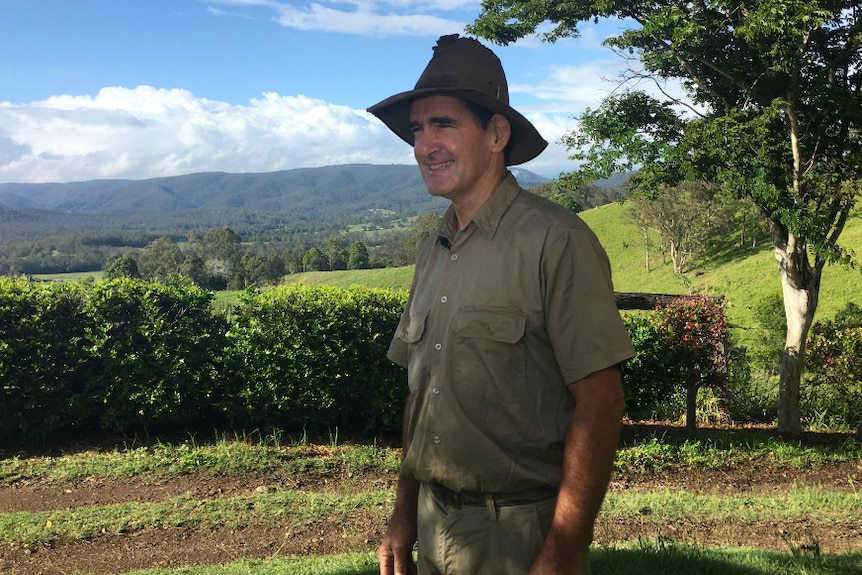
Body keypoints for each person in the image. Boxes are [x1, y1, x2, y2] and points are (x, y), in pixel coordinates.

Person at [367, 34, 636, 575]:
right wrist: (403, 514)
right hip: (433, 521)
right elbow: (423, 397)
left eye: (443, 124)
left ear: (496, 133)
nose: (424, 145)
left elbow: (601, 403)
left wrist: (564, 547)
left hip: (517, 535)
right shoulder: (432, 250)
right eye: (417, 130)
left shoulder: (555, 241)